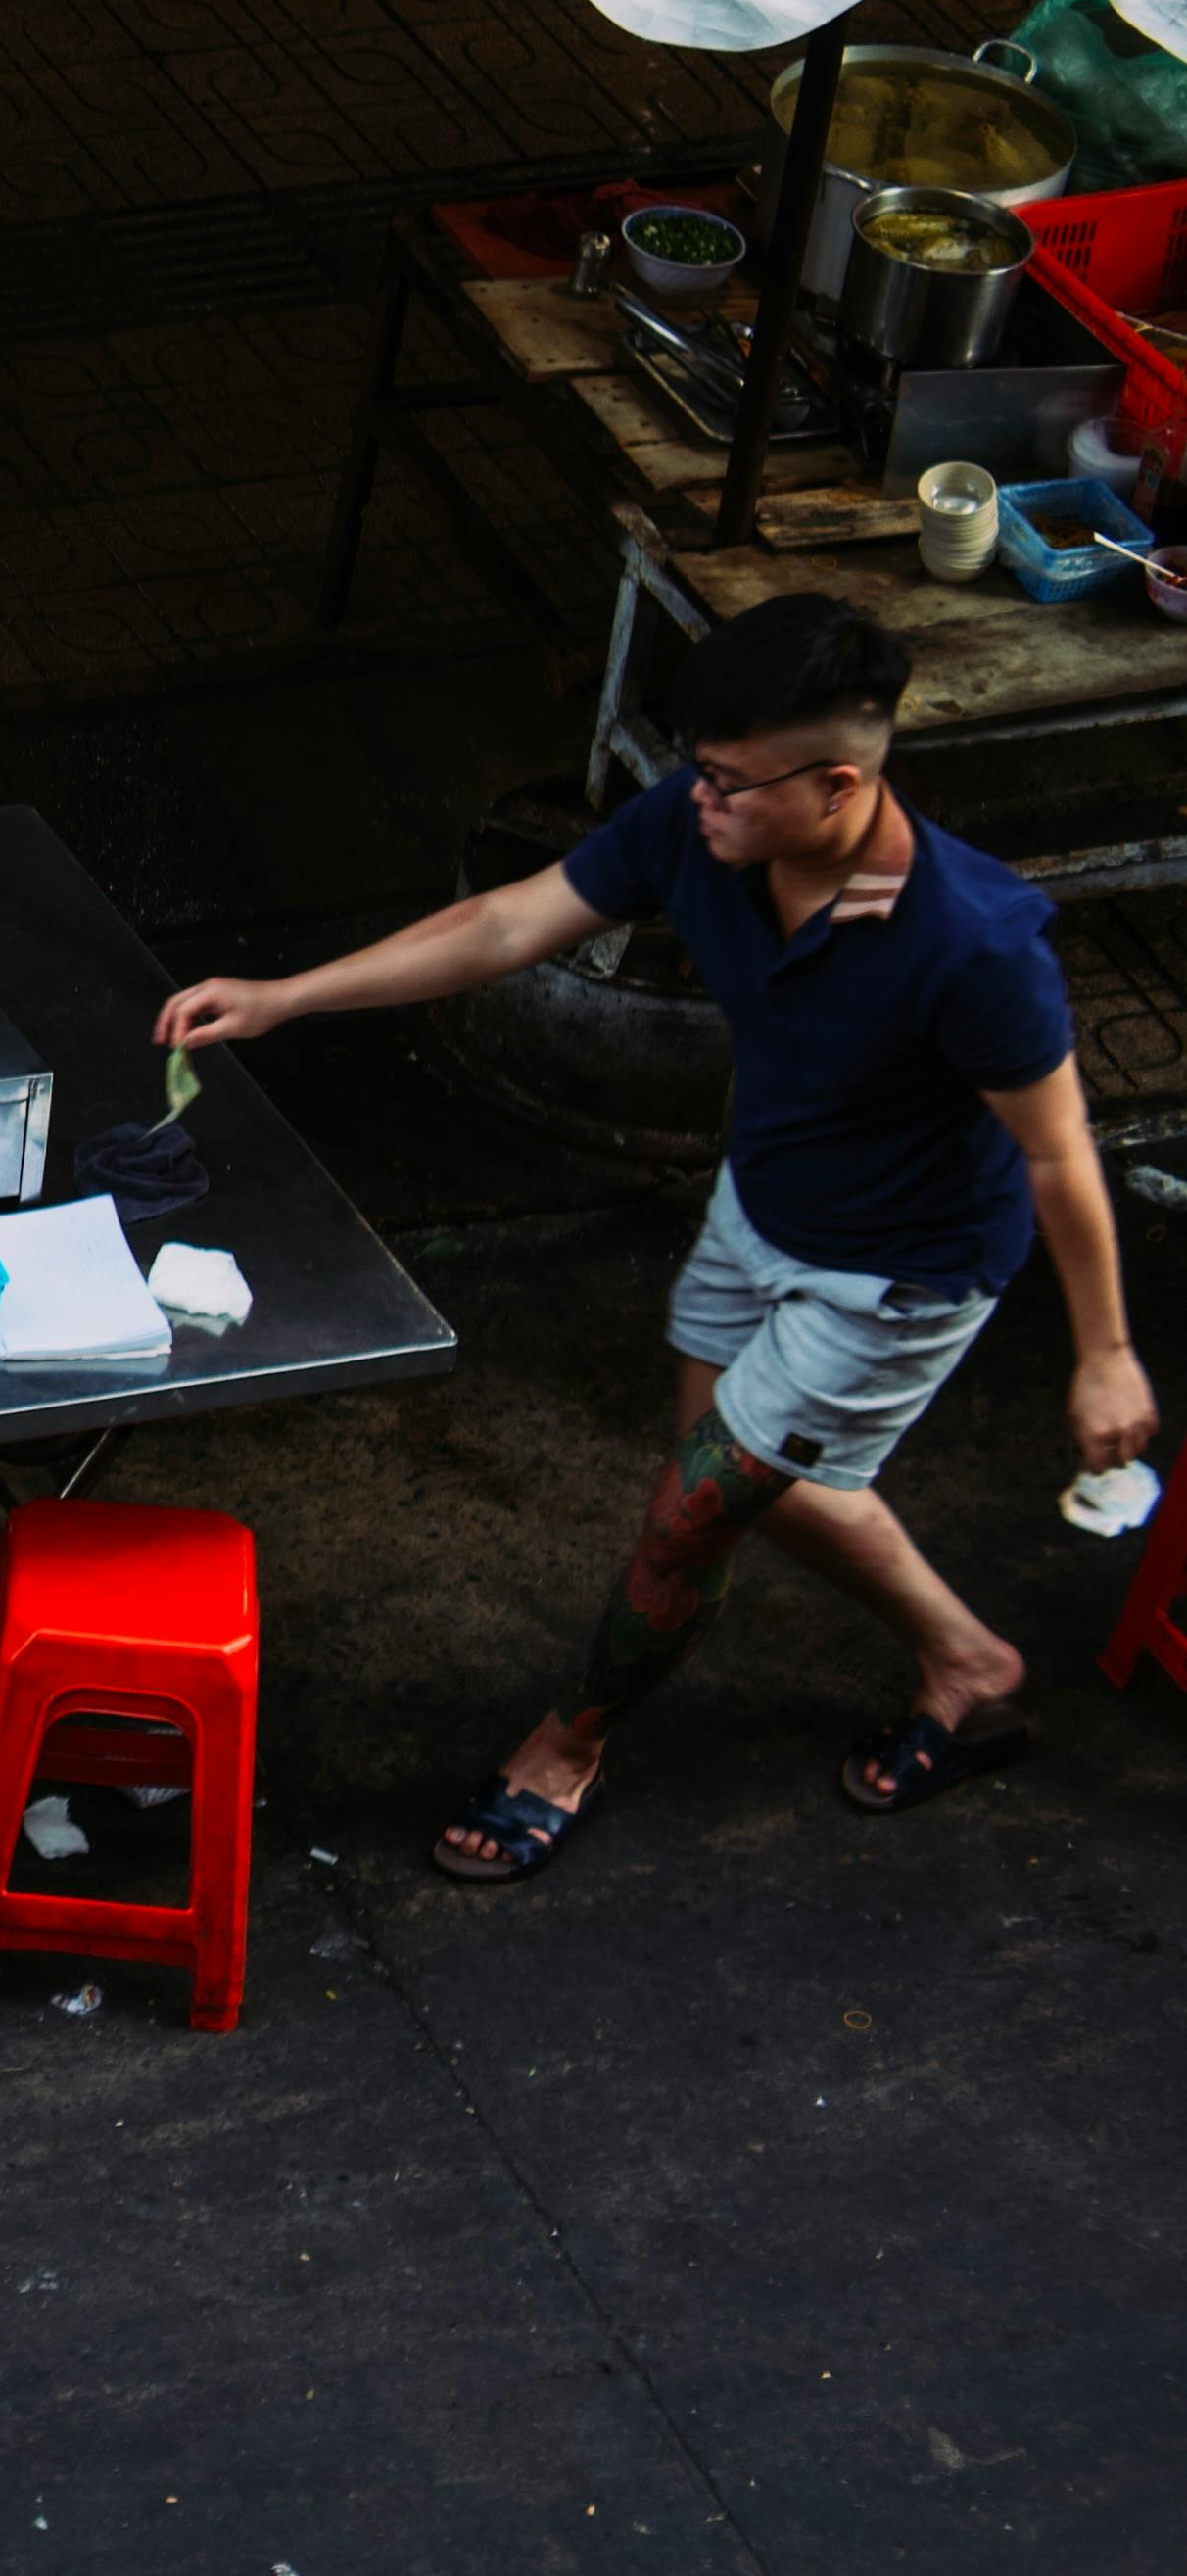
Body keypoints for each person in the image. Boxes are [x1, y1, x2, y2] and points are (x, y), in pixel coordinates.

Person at [151, 601, 1142, 1884]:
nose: (698, 802)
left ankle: (568, 1744)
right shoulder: (701, 826)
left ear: (835, 785)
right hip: (760, 1206)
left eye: (728, 781)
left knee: (686, 1520)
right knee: (731, 1486)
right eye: (696, 769)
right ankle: (970, 1663)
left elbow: (1057, 1151)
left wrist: (1105, 1352)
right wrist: (288, 996)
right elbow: (508, 924)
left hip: (889, 1275)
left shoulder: (974, 945)